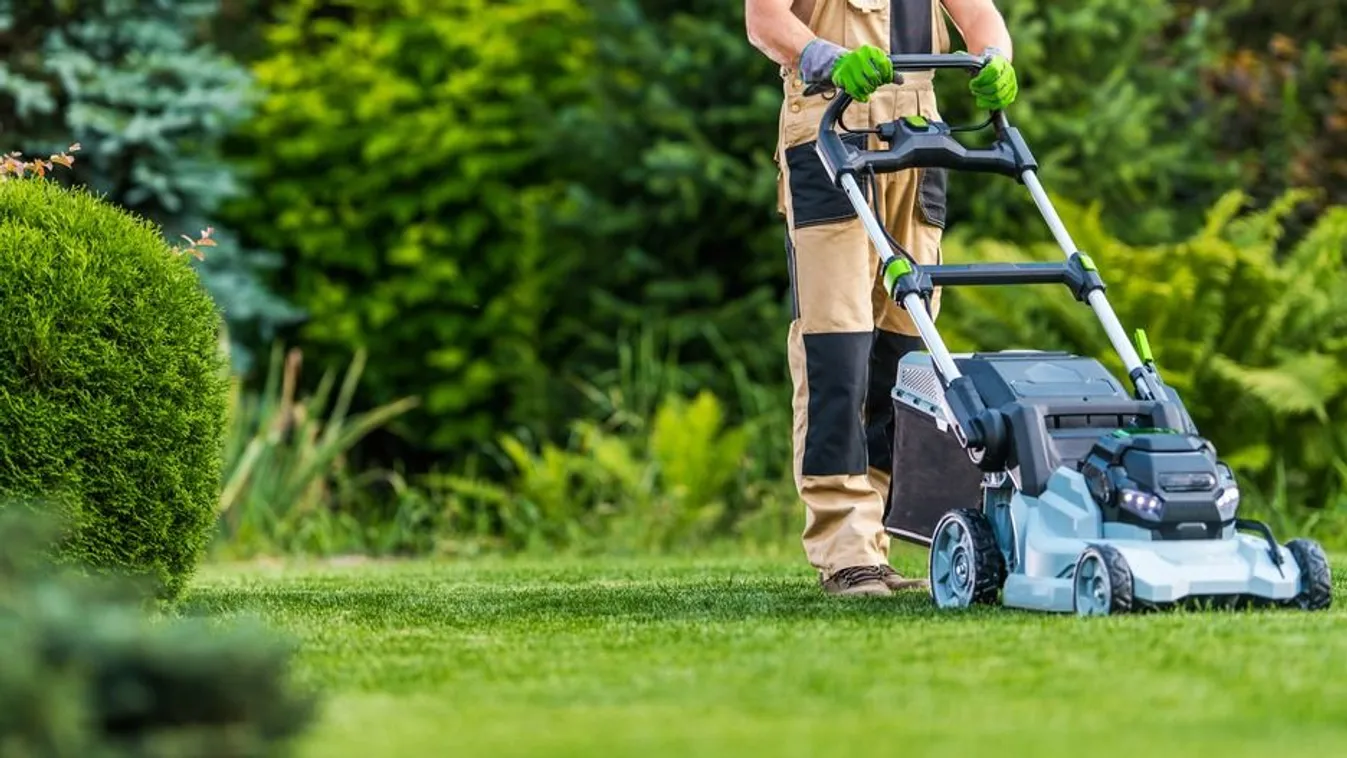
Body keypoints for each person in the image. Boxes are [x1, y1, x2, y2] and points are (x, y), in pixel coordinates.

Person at [745, 0, 1018, 596]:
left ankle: (880, 542)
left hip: (917, 139)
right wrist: (827, 58)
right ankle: (845, 547)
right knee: (837, 347)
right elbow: (763, 21)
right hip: (828, 127)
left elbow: (981, 19)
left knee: (907, 352)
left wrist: (996, 58)